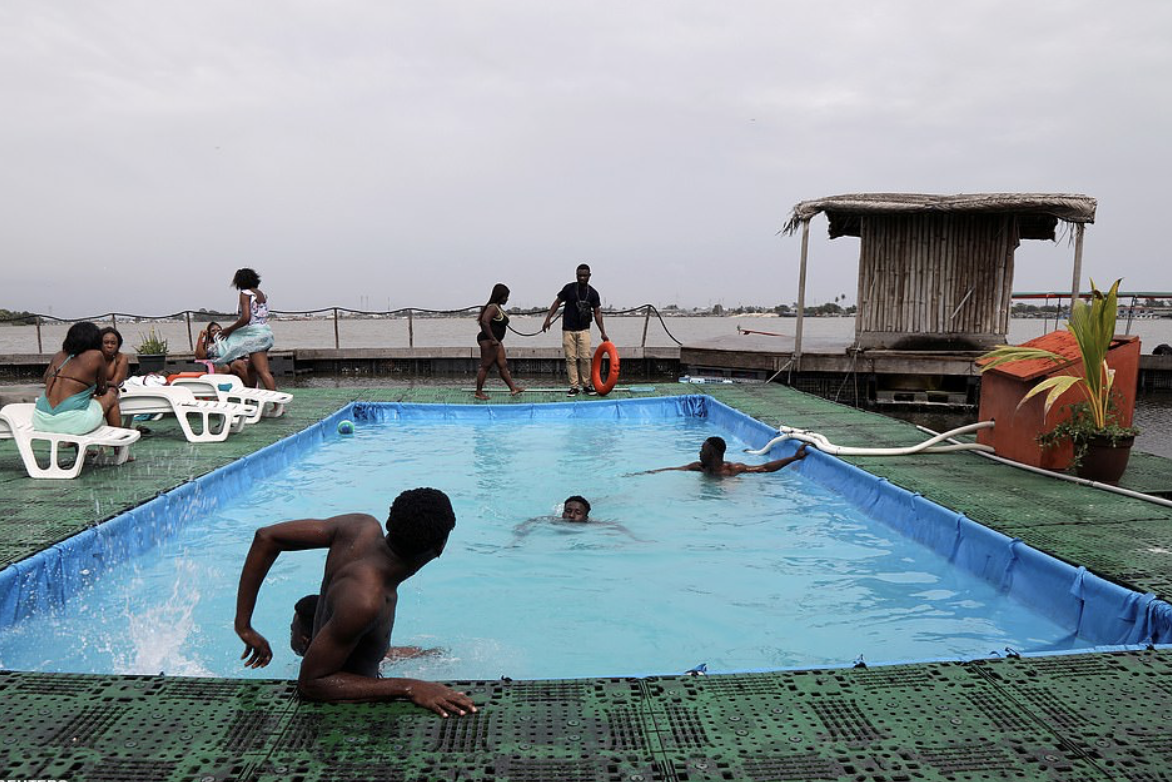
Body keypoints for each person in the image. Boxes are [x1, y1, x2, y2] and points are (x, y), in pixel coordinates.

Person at [234, 487, 476, 717]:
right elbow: (311, 684)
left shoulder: (359, 527)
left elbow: (266, 537)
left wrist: (243, 625)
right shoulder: (366, 601)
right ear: (441, 546)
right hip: (344, 715)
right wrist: (410, 687)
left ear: (390, 522)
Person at [290, 594, 441, 662]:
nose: (291, 634)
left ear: (305, 641)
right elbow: (429, 653)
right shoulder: (366, 652)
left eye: (292, 631)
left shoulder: (319, 668)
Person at [33, 321, 120, 434]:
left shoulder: (59, 355)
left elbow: (46, 379)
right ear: (95, 340)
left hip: (41, 420)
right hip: (72, 423)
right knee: (111, 395)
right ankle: (119, 447)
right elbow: (102, 389)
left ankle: (79, 448)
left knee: (79, 402)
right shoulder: (96, 355)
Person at [542, 264, 609, 396]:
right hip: (568, 329)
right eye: (579, 275)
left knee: (585, 357)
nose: (582, 278)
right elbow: (557, 302)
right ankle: (574, 386)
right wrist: (548, 318)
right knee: (570, 358)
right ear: (576, 275)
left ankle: (587, 385)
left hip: (584, 329)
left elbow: (597, 313)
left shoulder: (593, 293)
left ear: (589, 276)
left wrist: (603, 332)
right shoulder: (569, 288)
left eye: (584, 275)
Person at [216, 268, 276, 391]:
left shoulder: (245, 294)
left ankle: (278, 405)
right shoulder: (261, 294)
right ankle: (253, 397)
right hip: (265, 333)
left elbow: (246, 318)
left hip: (255, 337)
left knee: (263, 371)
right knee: (251, 369)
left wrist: (229, 330)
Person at [644, 437, 808, 477]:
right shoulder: (700, 467)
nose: (699, 454)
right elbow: (676, 469)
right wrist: (649, 472)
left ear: (712, 454)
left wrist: (794, 458)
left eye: (702, 451)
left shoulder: (733, 469)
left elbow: (764, 468)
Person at [473, 283, 525, 400]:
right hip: (489, 341)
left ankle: (513, 388)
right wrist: (492, 339)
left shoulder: (498, 308)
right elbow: (485, 322)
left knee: (503, 365)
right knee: (485, 366)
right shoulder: (492, 308)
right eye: (505, 296)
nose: (507, 299)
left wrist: (496, 340)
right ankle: (478, 392)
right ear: (499, 296)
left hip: (497, 341)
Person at [196, 321, 253, 385]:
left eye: (218, 330)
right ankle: (220, 389)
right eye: (213, 331)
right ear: (209, 334)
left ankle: (250, 387)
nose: (216, 332)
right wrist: (200, 338)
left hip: (232, 361)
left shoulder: (228, 341)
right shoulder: (208, 344)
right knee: (224, 367)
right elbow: (200, 356)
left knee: (239, 364)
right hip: (217, 363)